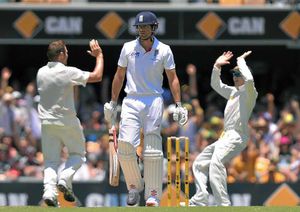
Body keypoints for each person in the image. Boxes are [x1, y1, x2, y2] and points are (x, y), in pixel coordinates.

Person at [104, 11, 188, 207]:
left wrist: (178, 104)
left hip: (153, 100)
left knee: (152, 149)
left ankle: (153, 194)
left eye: (145, 27)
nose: (141, 30)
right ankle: (134, 186)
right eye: (139, 27)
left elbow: (173, 78)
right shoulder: (127, 48)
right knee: (125, 145)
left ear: (154, 28)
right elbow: (119, 75)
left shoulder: (164, 50)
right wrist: (113, 102)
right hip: (131, 99)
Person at [36, 39, 104, 207]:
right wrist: (99, 56)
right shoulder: (67, 72)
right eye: (66, 52)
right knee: (78, 155)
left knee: (51, 162)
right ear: (60, 55)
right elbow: (97, 76)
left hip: (47, 123)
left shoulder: (40, 72)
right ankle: (65, 179)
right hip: (67, 121)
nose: (67, 54)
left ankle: (49, 192)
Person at [186, 51, 258, 206]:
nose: (235, 76)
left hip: (238, 135)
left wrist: (241, 61)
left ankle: (223, 205)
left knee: (216, 162)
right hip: (225, 136)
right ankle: (201, 198)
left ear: (244, 75)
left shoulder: (250, 93)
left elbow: (250, 79)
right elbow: (215, 85)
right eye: (234, 73)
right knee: (198, 163)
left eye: (238, 74)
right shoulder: (233, 92)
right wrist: (217, 66)